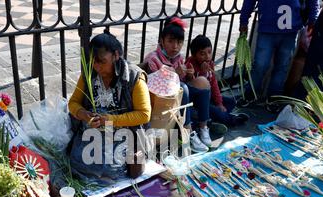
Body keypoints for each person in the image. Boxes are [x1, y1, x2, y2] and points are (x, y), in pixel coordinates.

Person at [68, 31, 151, 184]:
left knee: (110, 168)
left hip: (123, 133)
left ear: (116, 55)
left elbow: (144, 114)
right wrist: (83, 114)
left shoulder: (134, 77)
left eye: (102, 61)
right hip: (93, 133)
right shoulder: (89, 74)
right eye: (94, 61)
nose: (97, 66)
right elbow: (73, 103)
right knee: (77, 162)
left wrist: (110, 120)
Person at [144, 17, 227, 153]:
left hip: (181, 100)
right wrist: (175, 74)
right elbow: (156, 89)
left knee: (202, 84)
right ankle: (188, 133)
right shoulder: (153, 58)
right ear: (161, 41)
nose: (175, 46)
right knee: (184, 88)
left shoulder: (179, 58)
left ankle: (203, 127)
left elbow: (186, 82)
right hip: (162, 103)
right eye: (170, 41)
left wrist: (189, 75)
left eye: (179, 42)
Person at [239, 0, 319, 111]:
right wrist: (243, 21)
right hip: (267, 28)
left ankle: (274, 98)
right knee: (260, 65)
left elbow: (313, 2)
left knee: (282, 67)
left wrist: (313, 20)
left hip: (291, 31)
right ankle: (250, 94)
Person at [185, 35, 250, 127]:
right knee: (214, 110)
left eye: (209, 52)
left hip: (210, 98)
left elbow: (214, 84)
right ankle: (231, 120)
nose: (207, 56)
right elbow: (192, 87)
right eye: (202, 54)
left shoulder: (210, 63)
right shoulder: (190, 64)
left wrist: (219, 103)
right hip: (198, 102)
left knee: (231, 102)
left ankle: (212, 119)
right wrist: (202, 73)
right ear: (194, 55)